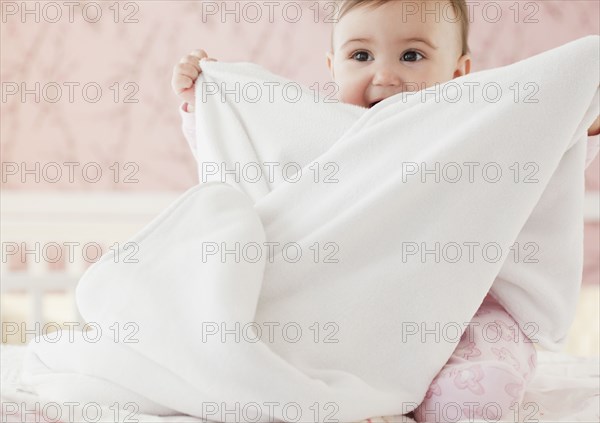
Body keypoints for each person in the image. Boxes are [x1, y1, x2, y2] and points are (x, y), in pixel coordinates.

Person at [171, 1, 599, 420]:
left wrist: (578, 119)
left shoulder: (477, 134)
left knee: (487, 364)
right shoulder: (318, 138)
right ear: (332, 66)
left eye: (412, 55)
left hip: (467, 307)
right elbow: (248, 172)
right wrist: (208, 107)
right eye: (361, 55)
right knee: (287, 340)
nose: (385, 74)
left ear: (459, 72)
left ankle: (454, 391)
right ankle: (351, 387)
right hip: (350, 304)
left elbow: (539, 162)